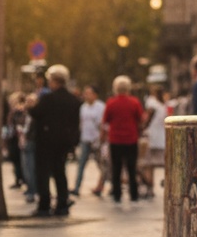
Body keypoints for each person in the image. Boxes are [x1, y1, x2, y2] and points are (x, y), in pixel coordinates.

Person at [28, 64, 81, 217]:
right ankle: (62, 204)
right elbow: (75, 123)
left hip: (46, 141)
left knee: (43, 173)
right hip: (64, 142)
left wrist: (31, 107)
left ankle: (44, 205)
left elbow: (37, 114)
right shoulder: (73, 100)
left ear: (53, 81)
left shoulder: (47, 99)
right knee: (60, 172)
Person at [102, 75, 144, 204]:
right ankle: (134, 194)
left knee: (116, 168)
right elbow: (140, 119)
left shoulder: (111, 102)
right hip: (131, 138)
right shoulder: (134, 102)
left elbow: (105, 120)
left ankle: (117, 194)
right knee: (131, 168)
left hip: (115, 139)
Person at [71, 85, 105, 196]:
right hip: (85, 139)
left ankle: (102, 185)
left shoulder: (101, 106)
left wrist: (101, 138)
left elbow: (102, 124)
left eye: (89, 93)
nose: (86, 95)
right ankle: (77, 187)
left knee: (101, 165)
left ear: (95, 95)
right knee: (81, 164)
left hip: (96, 139)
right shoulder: (83, 107)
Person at [139, 86, 168, 196]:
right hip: (161, 137)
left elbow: (148, 118)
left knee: (148, 164)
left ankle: (150, 186)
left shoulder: (152, 103)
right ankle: (167, 181)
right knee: (163, 162)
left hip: (151, 137)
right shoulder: (163, 105)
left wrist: (142, 127)